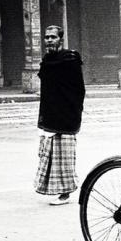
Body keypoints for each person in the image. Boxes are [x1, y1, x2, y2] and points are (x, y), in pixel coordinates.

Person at [34, 26, 85, 205]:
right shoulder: (47, 60)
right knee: (50, 155)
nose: (49, 40)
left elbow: (79, 88)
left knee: (64, 157)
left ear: (60, 40)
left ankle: (65, 193)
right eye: (46, 37)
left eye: (53, 37)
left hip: (66, 113)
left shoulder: (70, 59)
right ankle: (58, 190)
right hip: (50, 113)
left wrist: (74, 109)